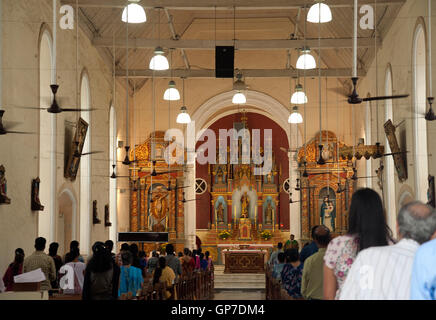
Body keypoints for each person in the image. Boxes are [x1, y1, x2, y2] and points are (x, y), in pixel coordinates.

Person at [339, 201, 436, 300]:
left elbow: (347, 296)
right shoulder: (430, 265)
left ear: (397, 226)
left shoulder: (367, 256)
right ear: (434, 232)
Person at [323, 188, 393, 300]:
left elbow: (328, 295)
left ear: (353, 214)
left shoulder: (338, 245)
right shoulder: (392, 245)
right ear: (380, 214)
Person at [301, 226, 331, 300]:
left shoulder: (309, 261)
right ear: (330, 239)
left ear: (315, 240)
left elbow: (303, 288)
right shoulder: (339, 259)